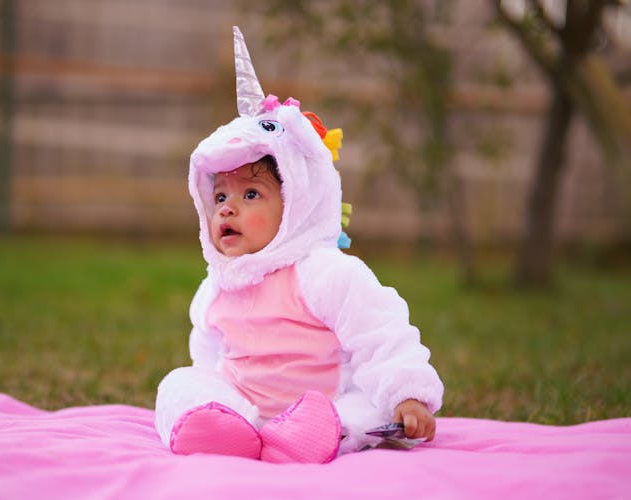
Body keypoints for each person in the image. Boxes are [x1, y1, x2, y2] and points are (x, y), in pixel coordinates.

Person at [154, 27, 443, 464]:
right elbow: (207, 356)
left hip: (321, 400)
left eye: (250, 195)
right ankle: (217, 427)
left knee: (362, 410)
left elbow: (380, 333)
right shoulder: (216, 286)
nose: (227, 210)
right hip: (244, 410)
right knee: (177, 384)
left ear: (296, 204)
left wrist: (407, 394)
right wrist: (212, 393)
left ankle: (316, 435)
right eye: (219, 198)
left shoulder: (323, 273)